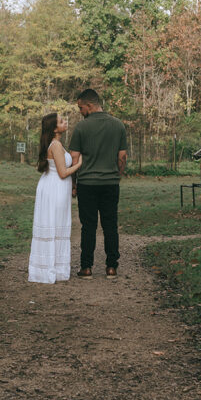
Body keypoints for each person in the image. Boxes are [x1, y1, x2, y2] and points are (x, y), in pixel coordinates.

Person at [69, 88, 128, 278]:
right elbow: (122, 156)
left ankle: (86, 267)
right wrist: (117, 175)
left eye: (81, 107)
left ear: (89, 105)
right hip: (110, 183)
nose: (80, 111)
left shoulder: (81, 128)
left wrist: (74, 183)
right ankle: (111, 267)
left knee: (89, 226)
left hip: (87, 183)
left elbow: (74, 157)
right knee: (110, 224)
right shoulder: (118, 125)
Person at [28, 112, 82, 284]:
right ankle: (47, 269)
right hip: (54, 188)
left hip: (56, 188)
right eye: (61, 121)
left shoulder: (57, 144)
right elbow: (62, 172)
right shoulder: (56, 146)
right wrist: (80, 164)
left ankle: (56, 268)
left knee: (57, 225)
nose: (65, 122)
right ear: (54, 128)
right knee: (53, 224)